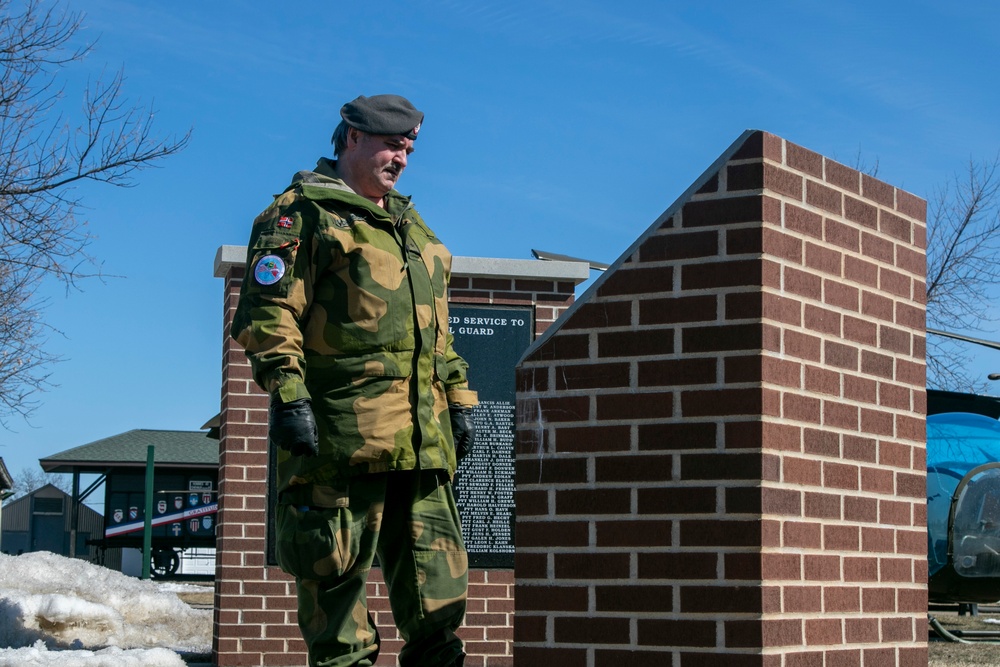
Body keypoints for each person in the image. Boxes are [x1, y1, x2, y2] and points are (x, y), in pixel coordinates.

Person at [231, 94, 477, 667]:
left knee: (439, 605)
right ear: (351, 138)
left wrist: (459, 400)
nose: (403, 159)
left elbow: (438, 331)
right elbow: (269, 316)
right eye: (393, 144)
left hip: (422, 445)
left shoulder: (411, 227)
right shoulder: (301, 215)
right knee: (338, 614)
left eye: (410, 148)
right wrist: (289, 397)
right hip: (340, 443)